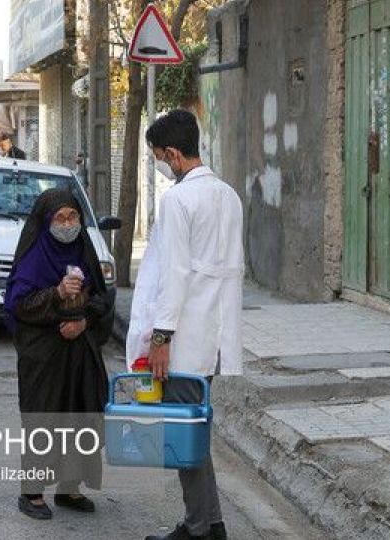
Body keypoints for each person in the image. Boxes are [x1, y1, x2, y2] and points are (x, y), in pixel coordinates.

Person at [128, 110, 242, 540]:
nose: (160, 164)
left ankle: (197, 528)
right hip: (215, 337)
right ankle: (210, 525)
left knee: (182, 435)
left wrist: (160, 338)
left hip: (182, 340)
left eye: (158, 157)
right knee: (195, 433)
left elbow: (174, 274)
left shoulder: (178, 201)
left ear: (173, 154)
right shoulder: (227, 195)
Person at [4, 189, 112, 520]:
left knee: (82, 415)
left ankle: (70, 487)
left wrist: (83, 321)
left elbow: (102, 298)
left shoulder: (84, 249)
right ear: (46, 221)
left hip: (80, 353)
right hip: (44, 356)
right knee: (45, 420)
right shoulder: (35, 255)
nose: (67, 224)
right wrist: (57, 294)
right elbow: (18, 304)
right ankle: (32, 493)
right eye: (60, 218)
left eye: (73, 217)